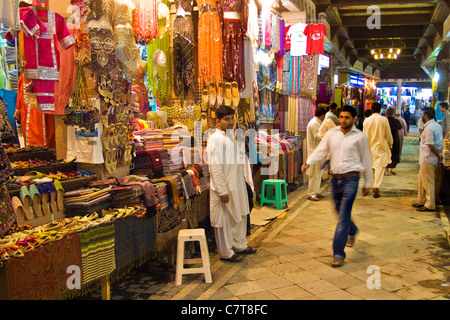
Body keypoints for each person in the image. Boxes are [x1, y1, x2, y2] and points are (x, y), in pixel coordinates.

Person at [301, 105, 372, 267]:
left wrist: (368, 183)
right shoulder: (332, 134)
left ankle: (338, 253)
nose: (343, 120)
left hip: (352, 180)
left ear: (354, 118)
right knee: (339, 212)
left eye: (347, 117)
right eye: (341, 117)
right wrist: (309, 161)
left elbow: (367, 160)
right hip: (336, 179)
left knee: (343, 216)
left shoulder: (360, 137)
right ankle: (353, 231)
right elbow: (321, 150)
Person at [206, 105, 256, 263]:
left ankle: (240, 245)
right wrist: (222, 191)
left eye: (232, 118)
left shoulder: (231, 136)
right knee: (225, 221)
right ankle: (226, 252)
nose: (231, 122)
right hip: (225, 187)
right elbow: (215, 167)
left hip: (236, 185)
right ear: (218, 121)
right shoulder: (215, 138)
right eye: (226, 119)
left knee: (238, 217)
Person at [413, 107, 443, 212]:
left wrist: (438, 155)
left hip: (428, 158)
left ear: (426, 115)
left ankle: (430, 204)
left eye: (423, 114)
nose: (422, 116)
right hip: (426, 158)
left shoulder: (430, 128)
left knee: (428, 182)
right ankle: (421, 200)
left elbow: (430, 144)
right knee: (421, 180)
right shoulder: (436, 126)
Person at [363, 102, 393, 198]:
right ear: (380, 109)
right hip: (380, 147)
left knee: (372, 166)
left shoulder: (366, 121)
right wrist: (390, 144)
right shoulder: (384, 120)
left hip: (369, 147)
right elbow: (388, 134)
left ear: (371, 109)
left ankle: (373, 185)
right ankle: (376, 186)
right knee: (379, 167)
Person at [306, 107, 327, 201]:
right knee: (314, 174)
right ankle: (311, 193)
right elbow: (318, 137)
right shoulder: (314, 123)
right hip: (314, 151)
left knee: (318, 173)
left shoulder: (317, 122)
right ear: (322, 115)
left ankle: (316, 191)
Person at [385, 108, 403, 175]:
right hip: (395, 138)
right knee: (394, 153)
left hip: (386, 138)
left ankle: (386, 170)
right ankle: (392, 169)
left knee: (387, 153)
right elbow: (400, 127)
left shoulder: (385, 121)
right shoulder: (396, 121)